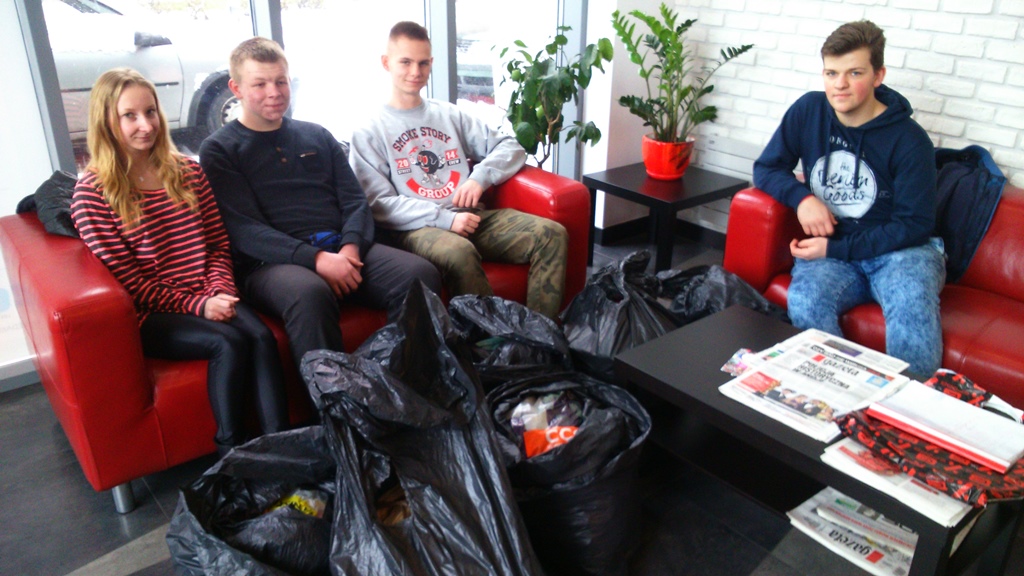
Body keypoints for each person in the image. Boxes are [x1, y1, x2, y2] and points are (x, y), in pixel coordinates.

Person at [70, 68, 289, 456]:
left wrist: (219, 290)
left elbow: (217, 245)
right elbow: (129, 282)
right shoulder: (93, 192)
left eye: (150, 112)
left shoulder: (187, 171)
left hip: (208, 292)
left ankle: (284, 448)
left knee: (260, 336)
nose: (146, 125)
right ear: (106, 121)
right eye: (129, 116)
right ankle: (232, 454)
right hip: (152, 312)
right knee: (228, 342)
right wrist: (199, 305)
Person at [199, 37, 441, 366]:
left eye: (281, 81)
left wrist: (350, 249)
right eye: (260, 84)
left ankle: (401, 383)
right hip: (271, 263)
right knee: (309, 293)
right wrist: (316, 260)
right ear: (236, 88)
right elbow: (245, 230)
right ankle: (333, 397)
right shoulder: (219, 149)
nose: (274, 92)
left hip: (341, 248)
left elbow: (355, 201)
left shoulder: (316, 135)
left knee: (418, 274)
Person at [752, 20, 945, 376]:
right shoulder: (808, 111)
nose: (839, 84)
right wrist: (802, 199)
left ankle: (909, 404)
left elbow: (915, 224)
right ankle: (837, 390)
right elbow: (766, 168)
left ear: (878, 75)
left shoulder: (910, 139)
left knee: (910, 306)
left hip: (900, 252)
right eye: (831, 73)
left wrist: (835, 249)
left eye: (854, 73)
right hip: (834, 254)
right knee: (804, 299)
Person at [348, 21, 569, 320]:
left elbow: (511, 146)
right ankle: (489, 340)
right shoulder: (369, 130)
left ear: (431, 63)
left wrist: (479, 178)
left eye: (423, 63)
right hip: (418, 229)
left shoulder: (448, 114)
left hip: (471, 216)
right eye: (406, 62)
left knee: (551, 234)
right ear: (386, 63)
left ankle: (539, 334)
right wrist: (445, 219)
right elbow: (378, 204)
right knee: (458, 252)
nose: (415, 71)